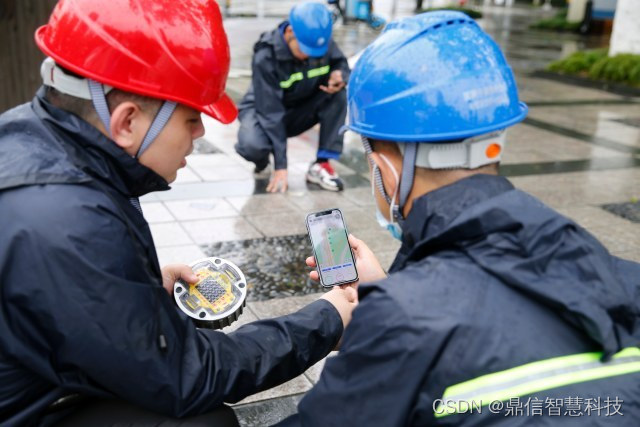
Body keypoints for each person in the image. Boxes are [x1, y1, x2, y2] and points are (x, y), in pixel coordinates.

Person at [0, 1, 358, 425]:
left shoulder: (32, 136)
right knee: (208, 421)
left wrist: (134, 282)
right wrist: (327, 320)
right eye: (191, 118)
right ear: (127, 122)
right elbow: (187, 375)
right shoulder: (69, 222)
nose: (202, 133)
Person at [281, 11, 640, 425]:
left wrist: (394, 306)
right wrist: (397, 288)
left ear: (387, 171)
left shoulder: (400, 323)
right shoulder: (618, 274)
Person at [234, 2, 350, 193]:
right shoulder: (266, 55)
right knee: (252, 145)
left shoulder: (318, 39)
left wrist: (340, 75)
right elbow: (271, 113)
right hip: (262, 110)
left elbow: (340, 62)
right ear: (289, 32)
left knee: (338, 94)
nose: (310, 57)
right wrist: (281, 165)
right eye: (306, 51)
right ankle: (263, 160)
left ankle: (321, 164)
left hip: (300, 107)